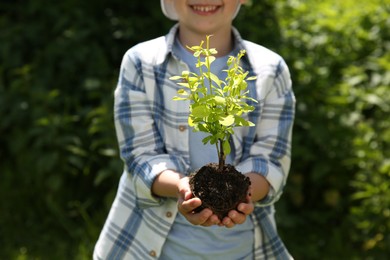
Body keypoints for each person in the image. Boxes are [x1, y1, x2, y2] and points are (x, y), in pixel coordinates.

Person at [93, 0, 295, 259]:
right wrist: (184, 188)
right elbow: (139, 157)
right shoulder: (141, 62)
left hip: (243, 249)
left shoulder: (270, 69)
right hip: (145, 246)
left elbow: (271, 161)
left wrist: (240, 196)